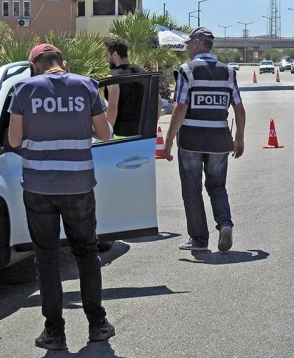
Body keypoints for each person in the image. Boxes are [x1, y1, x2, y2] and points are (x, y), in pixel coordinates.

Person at [8, 43, 115, 351]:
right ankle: (97, 325)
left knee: (47, 259)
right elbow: (105, 134)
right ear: (62, 63)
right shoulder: (86, 86)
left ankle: (54, 331)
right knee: (86, 255)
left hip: (39, 188)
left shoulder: (23, 89)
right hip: (78, 186)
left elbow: (14, 139)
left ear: (35, 65)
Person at [163, 27, 245, 252]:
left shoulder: (186, 71)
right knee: (217, 186)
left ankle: (199, 239)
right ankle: (225, 224)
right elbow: (239, 108)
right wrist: (239, 138)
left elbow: (180, 107)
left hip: (192, 140)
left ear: (197, 44)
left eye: (190, 43)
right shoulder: (228, 72)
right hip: (220, 140)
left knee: (192, 189)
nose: (188, 47)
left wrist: (169, 140)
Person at [103, 36, 162, 138]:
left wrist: (108, 133)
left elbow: (112, 108)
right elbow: (158, 101)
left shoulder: (113, 78)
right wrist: (150, 127)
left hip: (121, 135)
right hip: (143, 134)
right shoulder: (143, 73)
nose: (106, 59)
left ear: (115, 54)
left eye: (107, 55)